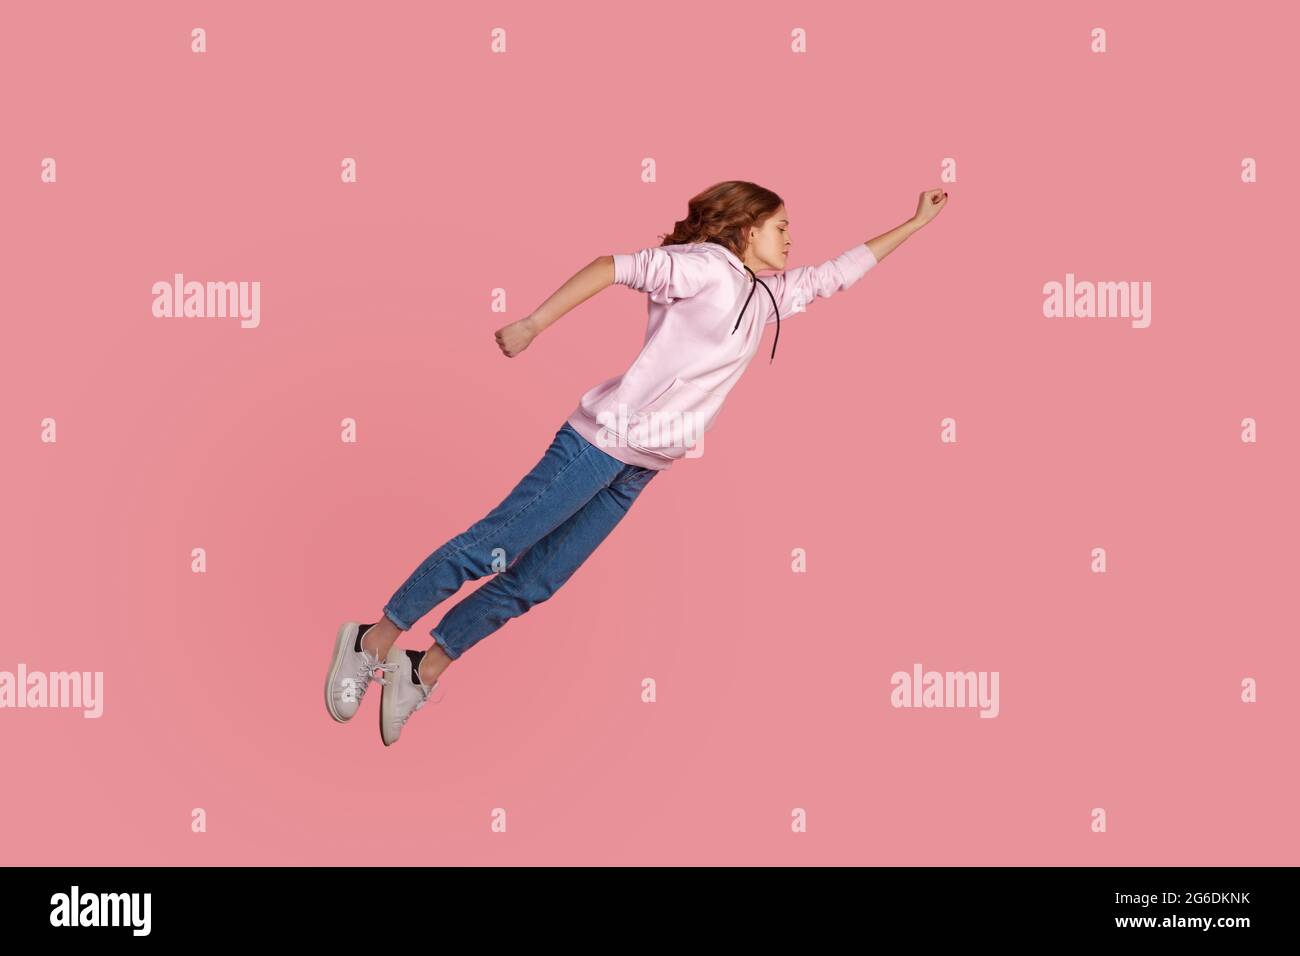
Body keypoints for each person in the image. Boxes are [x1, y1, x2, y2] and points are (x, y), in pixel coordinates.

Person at [323, 179, 949, 745]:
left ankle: (419, 669)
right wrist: (533, 324)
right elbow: (611, 266)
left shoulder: (766, 296)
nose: (792, 237)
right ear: (745, 226)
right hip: (597, 445)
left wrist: (914, 223)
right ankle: (370, 640)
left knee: (537, 581)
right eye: (781, 225)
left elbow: (838, 273)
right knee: (492, 546)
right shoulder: (705, 267)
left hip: (641, 466)